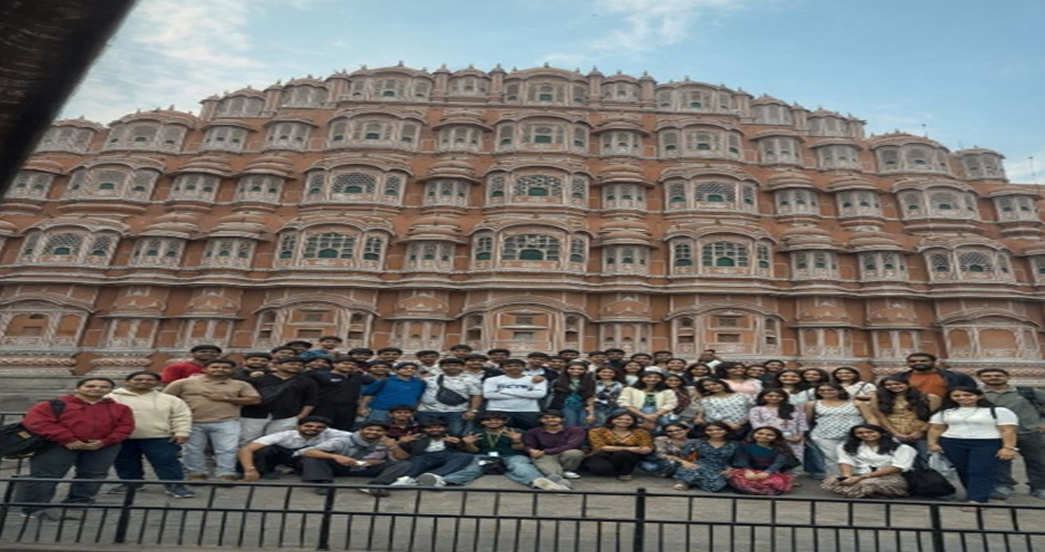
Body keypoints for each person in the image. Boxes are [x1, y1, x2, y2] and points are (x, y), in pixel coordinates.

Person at [18, 378, 135, 520]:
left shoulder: (121, 408)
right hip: (58, 445)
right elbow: (38, 423)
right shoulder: (51, 405)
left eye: (104, 387)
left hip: (102, 446)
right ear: (78, 388)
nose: (97, 389)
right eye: (90, 386)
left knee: (94, 475)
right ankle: (34, 507)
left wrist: (105, 441)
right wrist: (68, 439)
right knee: (46, 475)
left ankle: (80, 502)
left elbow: (125, 427)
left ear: (110, 390)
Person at [163, 358, 261, 482]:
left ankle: (226, 474)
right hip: (191, 421)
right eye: (215, 367)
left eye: (225, 367)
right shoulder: (183, 383)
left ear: (233, 370)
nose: (220, 369)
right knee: (192, 450)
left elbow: (255, 400)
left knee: (227, 449)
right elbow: (165, 399)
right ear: (204, 369)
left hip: (227, 421)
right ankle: (196, 474)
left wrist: (225, 398)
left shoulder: (240, 384)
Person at [928, 387, 1019, 508]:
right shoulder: (945, 412)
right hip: (953, 442)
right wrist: (932, 443)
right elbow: (936, 428)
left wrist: (1008, 447)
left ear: (979, 396)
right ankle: (973, 493)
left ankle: (977, 500)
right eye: (957, 396)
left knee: (981, 471)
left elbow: (1007, 430)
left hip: (987, 442)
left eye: (968, 395)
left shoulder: (999, 411)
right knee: (963, 470)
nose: (962, 398)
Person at [108, 371, 195, 498]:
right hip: (122, 437)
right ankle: (131, 483)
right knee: (125, 461)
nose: (144, 382)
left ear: (157, 382)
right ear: (127, 382)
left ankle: (174, 485)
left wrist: (182, 432)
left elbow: (181, 416)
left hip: (159, 436)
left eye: (149, 380)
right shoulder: (110, 398)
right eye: (138, 379)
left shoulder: (170, 399)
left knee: (166, 461)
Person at [976, 368, 1045, 500]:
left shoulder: (1028, 392)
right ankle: (1003, 486)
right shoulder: (977, 394)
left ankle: (1040, 486)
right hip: (996, 433)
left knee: (1038, 461)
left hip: (1029, 431)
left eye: (998, 375)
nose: (993, 378)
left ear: (1008, 377)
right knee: (1000, 461)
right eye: (988, 376)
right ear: (980, 378)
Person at [455, 412, 569, 491]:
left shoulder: (516, 431)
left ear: (504, 421)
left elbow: (519, 449)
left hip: (512, 455)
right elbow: (474, 451)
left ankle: (538, 482)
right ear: (482, 422)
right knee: (472, 468)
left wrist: (516, 440)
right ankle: (447, 481)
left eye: (497, 420)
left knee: (520, 466)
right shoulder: (476, 432)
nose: (493, 422)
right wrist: (468, 443)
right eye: (488, 420)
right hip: (484, 456)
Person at [298, 421, 413, 497]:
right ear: (361, 430)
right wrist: (336, 456)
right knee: (313, 457)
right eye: (369, 429)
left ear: (384, 432)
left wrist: (394, 447)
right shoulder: (342, 440)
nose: (373, 432)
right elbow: (307, 451)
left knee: (405, 464)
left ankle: (377, 485)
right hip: (341, 466)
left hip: (367, 467)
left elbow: (401, 458)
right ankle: (323, 484)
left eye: (378, 431)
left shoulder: (386, 442)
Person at [238, 416, 351, 481]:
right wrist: (249, 469)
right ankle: (262, 471)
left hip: (303, 457)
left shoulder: (330, 433)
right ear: (298, 427)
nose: (313, 429)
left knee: (315, 455)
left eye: (319, 427)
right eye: (308, 426)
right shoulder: (283, 435)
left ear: (325, 429)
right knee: (265, 449)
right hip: (283, 455)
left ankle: (319, 481)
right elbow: (246, 449)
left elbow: (356, 436)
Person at [821, 424, 916, 499]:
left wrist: (862, 478)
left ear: (881, 433)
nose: (865, 435)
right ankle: (864, 492)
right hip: (859, 474)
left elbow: (897, 467)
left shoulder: (901, 448)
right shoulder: (846, 446)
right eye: (860, 433)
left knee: (866, 484)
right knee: (831, 481)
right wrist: (846, 476)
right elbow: (845, 461)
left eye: (870, 432)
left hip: (889, 476)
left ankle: (882, 493)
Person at [239, 356, 319, 444]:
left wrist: (300, 416)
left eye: (300, 365)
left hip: (287, 416)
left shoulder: (308, 382)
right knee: (247, 440)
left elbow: (310, 401)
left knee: (277, 441)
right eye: (291, 364)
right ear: (278, 365)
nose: (296, 366)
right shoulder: (257, 380)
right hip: (253, 415)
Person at [804, 383, 869, 478]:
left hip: (854, 435)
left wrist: (876, 430)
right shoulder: (812, 404)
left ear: (840, 390)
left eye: (830, 389)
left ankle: (857, 477)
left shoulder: (857, 403)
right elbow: (807, 420)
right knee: (832, 458)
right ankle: (835, 479)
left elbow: (870, 418)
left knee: (855, 455)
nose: (826, 392)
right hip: (824, 435)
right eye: (822, 390)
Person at [387, 419, 476, 486]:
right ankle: (407, 479)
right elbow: (403, 456)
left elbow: (468, 451)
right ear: (424, 429)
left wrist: (461, 443)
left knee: (465, 456)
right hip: (424, 457)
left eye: (438, 427)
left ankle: (434, 476)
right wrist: (401, 442)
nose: (435, 430)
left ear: (445, 428)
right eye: (430, 428)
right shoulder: (416, 438)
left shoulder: (453, 437)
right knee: (418, 459)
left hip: (447, 455)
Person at [866, 376, 940, 458]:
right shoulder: (878, 399)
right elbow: (881, 417)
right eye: (889, 385)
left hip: (922, 432)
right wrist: (895, 433)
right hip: (894, 431)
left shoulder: (927, 398)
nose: (893, 386)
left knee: (925, 457)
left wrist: (921, 431)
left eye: (897, 384)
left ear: (908, 384)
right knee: (900, 457)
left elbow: (936, 417)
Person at [416, 358, 483, 436]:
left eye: (456, 365)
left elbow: (476, 395)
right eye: (447, 365)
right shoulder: (428, 379)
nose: (452, 367)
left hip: (456, 412)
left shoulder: (471, 380)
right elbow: (418, 394)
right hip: (427, 411)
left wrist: (473, 411)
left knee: (455, 434)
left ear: (463, 367)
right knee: (426, 434)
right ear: (441, 367)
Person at [306, 355, 372, 430]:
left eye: (353, 365)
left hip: (348, 409)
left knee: (343, 431)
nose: (349, 366)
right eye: (346, 364)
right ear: (335, 364)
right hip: (324, 408)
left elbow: (376, 381)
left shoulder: (357, 377)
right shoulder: (319, 375)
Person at [726, 427, 798, 495]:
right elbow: (742, 459)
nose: (764, 436)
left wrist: (767, 472)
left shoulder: (781, 449)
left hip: (770, 471)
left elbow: (779, 462)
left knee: (777, 482)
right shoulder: (744, 445)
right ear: (753, 434)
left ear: (777, 437)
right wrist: (748, 471)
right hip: (748, 470)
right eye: (760, 433)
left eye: (769, 435)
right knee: (739, 479)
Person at [584, 412, 654, 481]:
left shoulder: (640, 432)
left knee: (623, 454)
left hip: (628, 456)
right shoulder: (598, 431)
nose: (623, 421)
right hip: (602, 453)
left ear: (633, 421)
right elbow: (600, 447)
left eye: (628, 420)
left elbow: (647, 446)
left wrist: (645, 449)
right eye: (619, 419)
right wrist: (628, 448)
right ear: (611, 420)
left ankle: (625, 473)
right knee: (601, 469)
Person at [671, 422, 739, 492]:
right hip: (700, 465)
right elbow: (683, 456)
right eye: (710, 430)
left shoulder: (735, 444)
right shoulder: (696, 442)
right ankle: (684, 483)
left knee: (716, 486)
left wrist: (731, 469)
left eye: (719, 429)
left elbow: (738, 459)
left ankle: (694, 481)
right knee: (688, 469)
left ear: (727, 431)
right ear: (705, 432)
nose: (715, 432)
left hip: (722, 467)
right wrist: (685, 462)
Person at [482, 358, 548, 430]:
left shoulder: (536, 379)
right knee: (501, 432)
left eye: (517, 366)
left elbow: (539, 394)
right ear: (501, 369)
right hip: (498, 409)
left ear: (524, 367)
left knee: (529, 432)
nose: (513, 368)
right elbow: (489, 395)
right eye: (509, 366)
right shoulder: (491, 380)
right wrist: (526, 394)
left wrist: (505, 392)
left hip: (528, 410)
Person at [522, 410, 587, 482]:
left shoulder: (575, 430)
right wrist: (532, 450)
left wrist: (546, 451)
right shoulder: (533, 432)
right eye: (546, 418)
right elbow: (528, 445)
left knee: (575, 453)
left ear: (563, 419)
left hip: (564, 453)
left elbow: (572, 445)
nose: (550, 419)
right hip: (544, 455)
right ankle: (557, 477)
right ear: (540, 420)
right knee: (553, 474)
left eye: (554, 417)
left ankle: (566, 471)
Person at [749, 389, 808, 459]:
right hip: (769, 440)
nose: (774, 398)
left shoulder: (794, 408)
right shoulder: (757, 410)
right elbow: (756, 425)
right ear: (763, 397)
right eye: (770, 396)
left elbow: (802, 423)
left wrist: (799, 437)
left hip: (793, 439)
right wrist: (779, 437)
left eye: (778, 396)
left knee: (794, 460)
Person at [359, 362, 426, 422]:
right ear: (396, 370)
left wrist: (415, 410)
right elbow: (368, 394)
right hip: (382, 410)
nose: (409, 370)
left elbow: (418, 397)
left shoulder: (420, 383)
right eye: (405, 368)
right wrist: (362, 408)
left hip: (405, 413)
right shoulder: (385, 381)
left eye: (413, 368)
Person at [894, 352, 976, 398]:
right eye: (913, 361)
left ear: (934, 362)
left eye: (923, 361)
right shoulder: (899, 377)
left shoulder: (957, 377)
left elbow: (971, 393)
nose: (918, 363)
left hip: (945, 409)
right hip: (911, 410)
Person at [547, 362, 596, 427]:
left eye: (580, 369)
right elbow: (552, 396)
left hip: (583, 407)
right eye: (572, 369)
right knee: (570, 425)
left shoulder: (589, 382)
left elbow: (590, 398)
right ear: (566, 369)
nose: (576, 371)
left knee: (584, 425)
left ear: (585, 370)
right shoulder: (557, 381)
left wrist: (591, 413)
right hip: (565, 406)